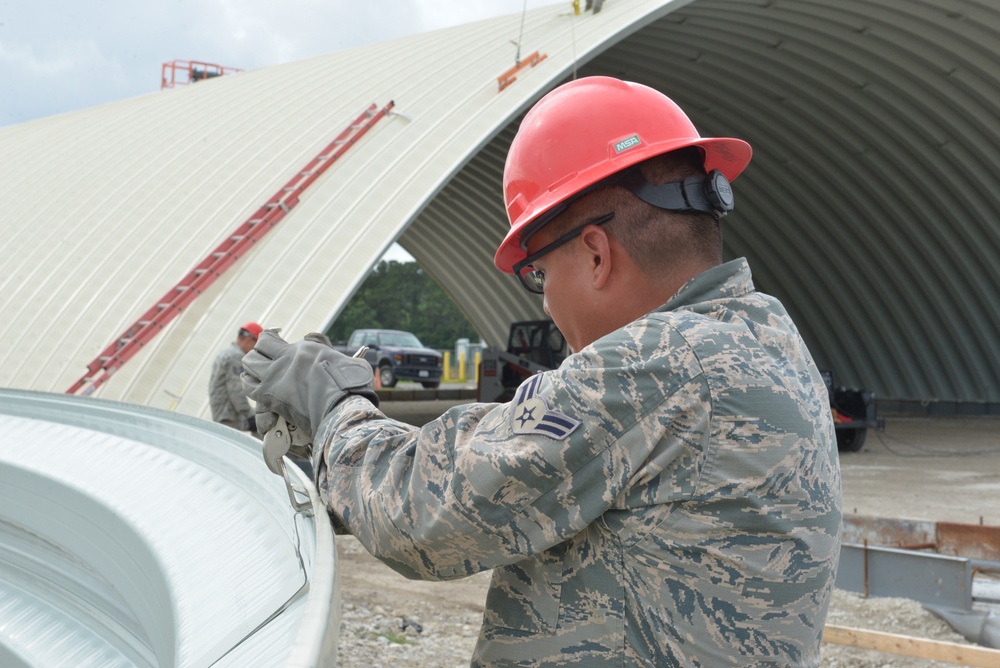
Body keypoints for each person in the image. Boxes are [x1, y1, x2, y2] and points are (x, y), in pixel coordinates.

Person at [242, 77, 842, 666]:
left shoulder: (658, 362)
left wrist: (333, 406)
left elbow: (424, 515)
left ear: (596, 254)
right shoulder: (767, 340)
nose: (546, 305)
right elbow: (506, 459)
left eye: (539, 276)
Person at [209, 322, 262, 433]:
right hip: (229, 417)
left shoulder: (225, 353)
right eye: (256, 344)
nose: (255, 350)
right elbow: (236, 390)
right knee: (263, 425)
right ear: (249, 339)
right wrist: (249, 414)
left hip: (222, 414)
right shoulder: (235, 357)